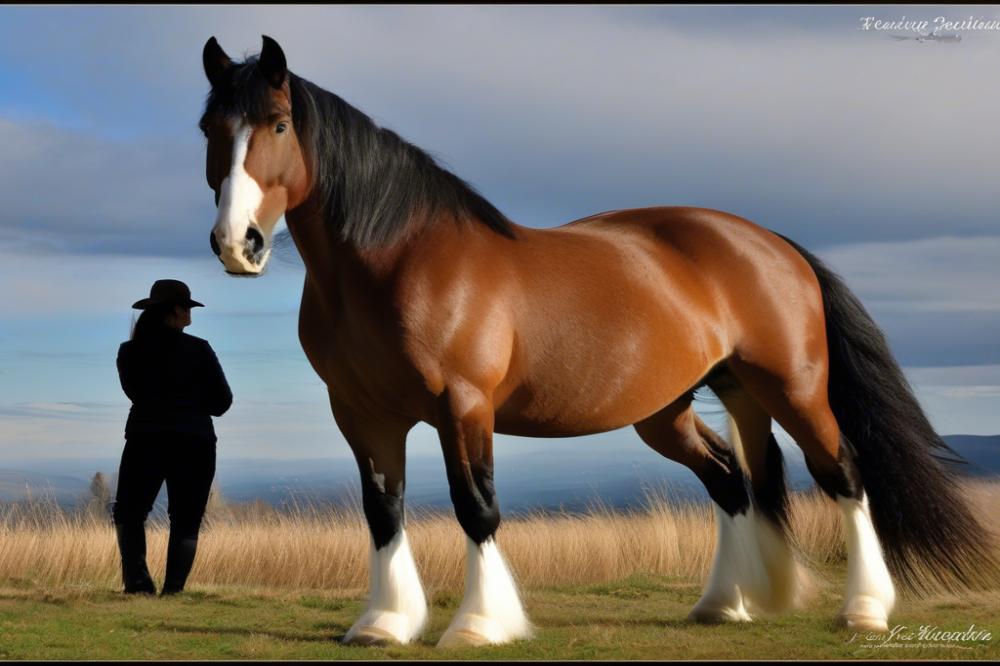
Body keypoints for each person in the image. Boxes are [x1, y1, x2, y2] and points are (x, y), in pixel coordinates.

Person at [113, 279, 232, 595]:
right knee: (187, 517)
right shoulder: (199, 349)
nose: (190, 314)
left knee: (129, 511)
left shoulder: (130, 351)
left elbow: (135, 393)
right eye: (188, 307)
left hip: (145, 436)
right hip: (195, 441)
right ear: (176, 311)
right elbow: (222, 402)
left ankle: (138, 584)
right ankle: (173, 590)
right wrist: (192, 402)